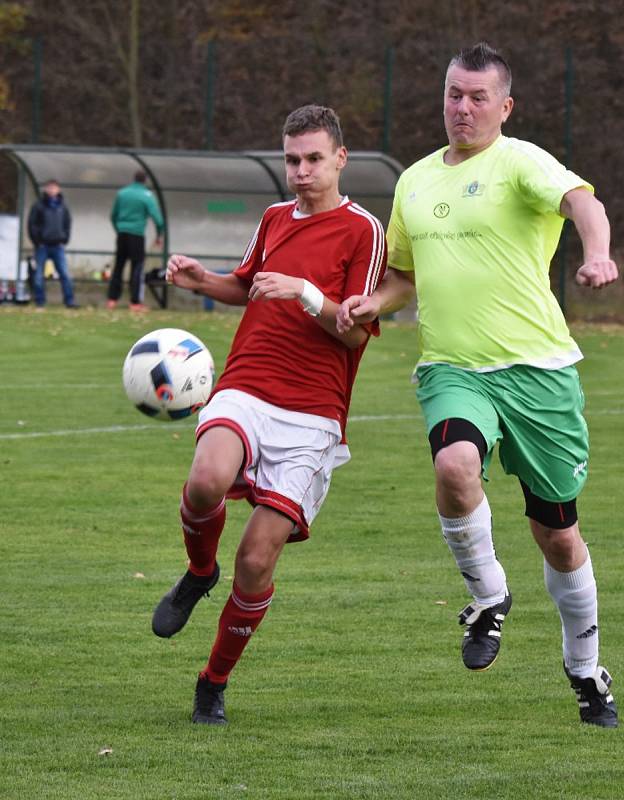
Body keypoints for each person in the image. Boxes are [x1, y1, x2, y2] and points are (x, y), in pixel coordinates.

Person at [338, 43, 619, 727]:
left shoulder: (519, 160)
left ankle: (584, 669)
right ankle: (489, 596)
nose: (461, 108)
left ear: (504, 106)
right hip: (453, 369)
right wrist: (374, 303)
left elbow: (582, 202)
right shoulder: (414, 183)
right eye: (452, 94)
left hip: (539, 374)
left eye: (476, 97)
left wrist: (598, 254)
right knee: (454, 465)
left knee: (557, 536)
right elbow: (403, 274)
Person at [151, 105, 386, 725]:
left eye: (313, 159)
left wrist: (306, 294)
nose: (301, 171)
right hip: (246, 383)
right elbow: (249, 284)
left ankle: (212, 682)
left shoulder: (364, 230)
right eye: (291, 160)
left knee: (256, 559)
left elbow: (355, 334)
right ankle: (200, 571)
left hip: (312, 414)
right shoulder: (274, 218)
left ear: (341, 157)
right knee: (205, 479)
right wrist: (204, 280)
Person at [106, 170, 164, 311]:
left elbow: (113, 215)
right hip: (137, 235)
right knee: (137, 268)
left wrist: (119, 229)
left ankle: (112, 300)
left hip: (122, 234)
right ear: (145, 181)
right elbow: (158, 219)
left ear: (134, 179)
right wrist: (159, 235)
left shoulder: (122, 193)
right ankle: (135, 302)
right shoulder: (147, 195)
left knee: (118, 266)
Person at [27, 179, 78, 309]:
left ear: (58, 189)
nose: (52, 190)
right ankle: (40, 302)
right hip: (42, 246)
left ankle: (70, 301)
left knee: (65, 274)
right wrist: (37, 242)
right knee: (38, 275)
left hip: (58, 246)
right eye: (49, 188)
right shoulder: (38, 206)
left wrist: (65, 239)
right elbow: (32, 225)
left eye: (54, 188)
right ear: (45, 189)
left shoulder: (63, 207)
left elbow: (68, 224)